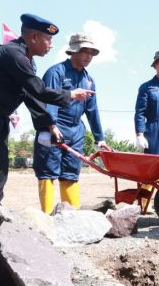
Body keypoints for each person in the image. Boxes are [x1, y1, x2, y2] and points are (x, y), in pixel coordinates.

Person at [0, 13, 93, 224]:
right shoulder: (11, 53)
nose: (51, 45)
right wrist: (70, 94)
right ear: (33, 37)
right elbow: (38, 90)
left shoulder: (27, 62)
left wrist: (49, 124)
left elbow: (30, 96)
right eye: (48, 39)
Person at [34, 33, 111, 214]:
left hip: (76, 131)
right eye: (84, 51)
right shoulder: (56, 72)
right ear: (74, 51)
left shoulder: (89, 80)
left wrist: (100, 138)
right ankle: (46, 216)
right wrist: (51, 126)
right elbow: (49, 101)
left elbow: (92, 111)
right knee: (47, 170)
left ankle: (71, 215)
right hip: (54, 127)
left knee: (71, 172)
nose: (88, 56)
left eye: (92, 53)